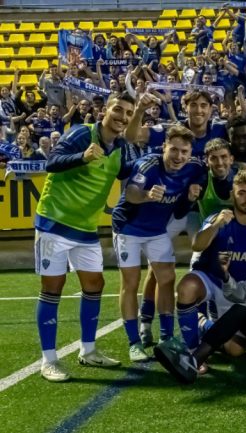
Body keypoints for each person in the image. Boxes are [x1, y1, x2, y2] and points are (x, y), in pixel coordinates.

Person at [34, 92, 137, 382]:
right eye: (118, 109)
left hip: (86, 229)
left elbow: (131, 173)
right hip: (54, 222)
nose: (122, 116)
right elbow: (51, 162)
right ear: (106, 109)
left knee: (95, 284)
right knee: (52, 287)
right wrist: (82, 156)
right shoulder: (82, 133)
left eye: (128, 113)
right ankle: (49, 360)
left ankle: (88, 350)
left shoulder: (121, 148)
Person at [154, 170, 246, 376]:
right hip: (215, 282)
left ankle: (202, 322)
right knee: (187, 287)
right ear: (233, 195)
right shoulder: (219, 218)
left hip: (245, 293)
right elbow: (197, 245)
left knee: (235, 350)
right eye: (241, 192)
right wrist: (216, 225)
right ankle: (192, 352)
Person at [111, 125, 206, 361]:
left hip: (157, 230)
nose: (178, 156)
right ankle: (134, 342)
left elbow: (184, 203)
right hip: (128, 227)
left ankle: (165, 337)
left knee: (167, 278)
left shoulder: (194, 168)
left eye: (184, 151)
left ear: (190, 152)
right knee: (130, 283)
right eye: (173, 149)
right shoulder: (148, 164)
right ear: (164, 146)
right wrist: (146, 196)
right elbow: (131, 192)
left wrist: (192, 196)